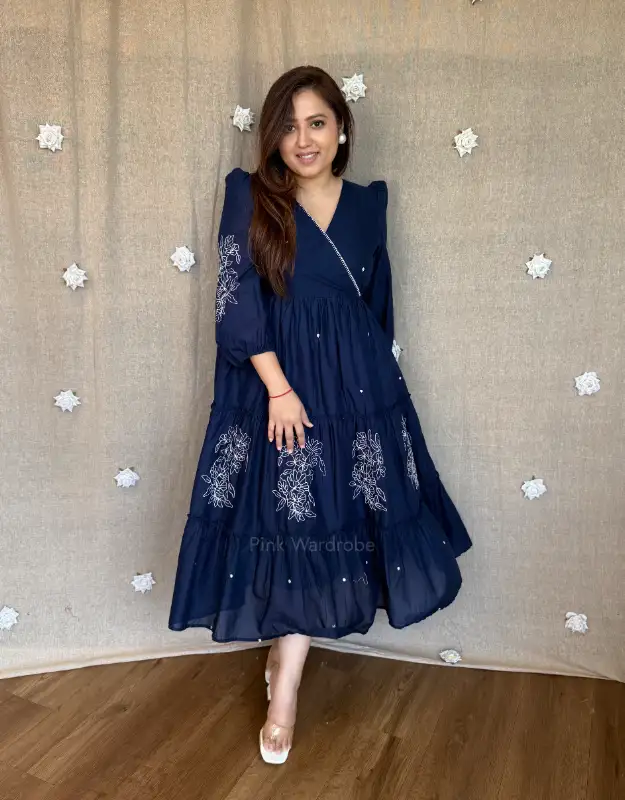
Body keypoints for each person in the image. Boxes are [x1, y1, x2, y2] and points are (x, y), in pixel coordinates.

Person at [168, 65, 472, 764]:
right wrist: (278, 389)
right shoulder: (250, 196)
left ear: (341, 130)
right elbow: (236, 300)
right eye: (288, 126)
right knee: (292, 526)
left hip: (354, 397)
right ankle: (285, 691)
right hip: (277, 391)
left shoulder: (369, 204)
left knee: (332, 522)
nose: (303, 139)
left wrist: (373, 400)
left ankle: (285, 663)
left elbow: (376, 307)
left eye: (317, 123)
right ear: (272, 138)